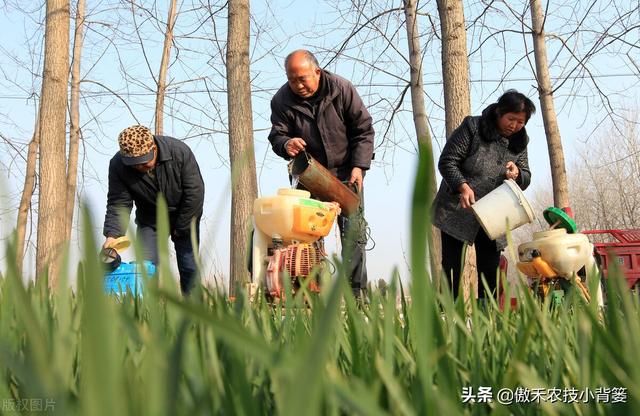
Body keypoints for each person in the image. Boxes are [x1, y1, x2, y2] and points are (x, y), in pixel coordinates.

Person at [268, 49, 375, 298]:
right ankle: (313, 294)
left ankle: (356, 296)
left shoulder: (341, 88)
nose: (297, 84)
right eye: (292, 79)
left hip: (347, 173)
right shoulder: (281, 100)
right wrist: (286, 144)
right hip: (309, 177)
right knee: (308, 238)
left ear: (317, 71)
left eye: (302, 78)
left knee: (354, 235)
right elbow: (277, 135)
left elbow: (363, 130)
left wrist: (360, 166)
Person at [433, 90, 536, 302]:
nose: (514, 126)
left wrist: (517, 174)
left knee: (490, 270)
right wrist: (462, 186)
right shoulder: (473, 127)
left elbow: (526, 177)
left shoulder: (520, 141)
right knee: (452, 266)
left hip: (495, 214)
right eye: (511, 119)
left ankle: (487, 319)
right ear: (499, 112)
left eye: (520, 122)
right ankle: (446, 317)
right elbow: (447, 160)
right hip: (459, 208)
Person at [102, 125, 205, 295]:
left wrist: (182, 227)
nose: (140, 167)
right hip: (149, 219)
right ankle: (146, 313)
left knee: (189, 266)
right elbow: (118, 203)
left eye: (144, 161)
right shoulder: (117, 165)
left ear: (153, 148)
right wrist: (112, 235)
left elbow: (195, 192)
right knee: (146, 267)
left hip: (184, 215)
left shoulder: (179, 152)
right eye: (134, 164)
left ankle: (194, 312)